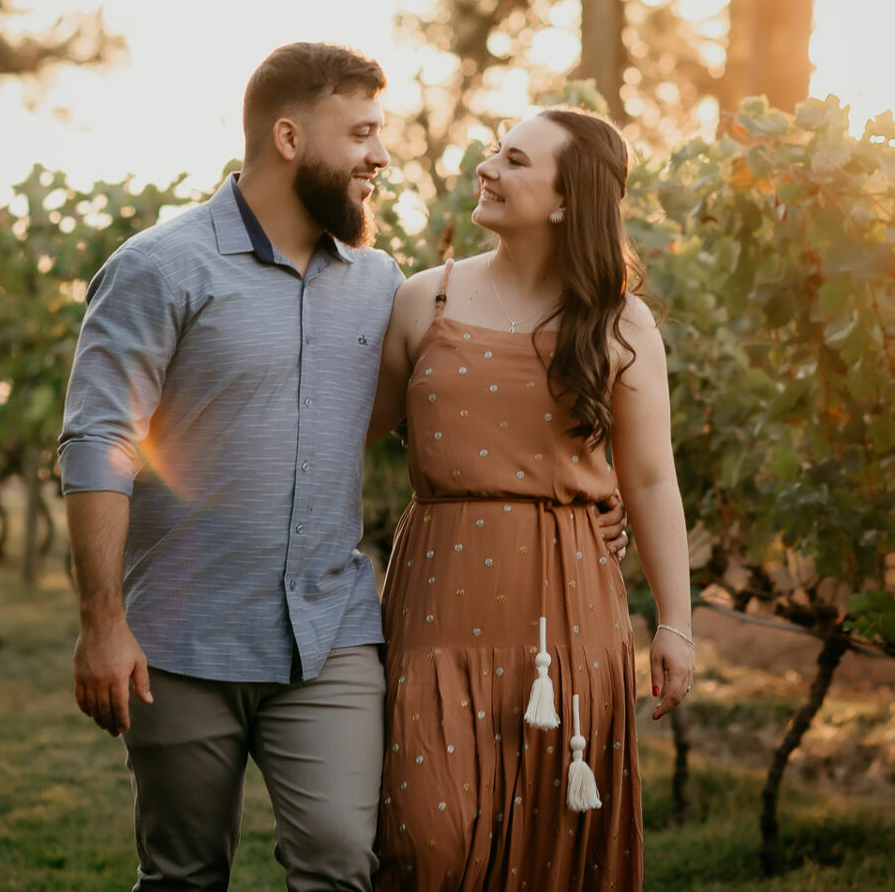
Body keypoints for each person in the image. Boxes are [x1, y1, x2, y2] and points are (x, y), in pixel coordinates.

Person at [57, 43, 630, 892]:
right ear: (289, 138)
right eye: (361, 134)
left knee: (341, 863)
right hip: (183, 635)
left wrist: (580, 492)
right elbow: (96, 441)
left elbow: (454, 406)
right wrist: (103, 622)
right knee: (183, 873)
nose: (381, 156)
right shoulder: (159, 267)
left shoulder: (380, 284)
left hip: (330, 636)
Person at [367, 107, 695, 891]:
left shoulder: (620, 323)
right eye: (495, 151)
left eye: (515, 160)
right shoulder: (423, 299)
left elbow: (651, 479)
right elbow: (345, 439)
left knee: (553, 848)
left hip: (570, 615)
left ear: (565, 200)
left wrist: (676, 623)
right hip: (436, 608)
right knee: (425, 845)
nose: (487, 168)